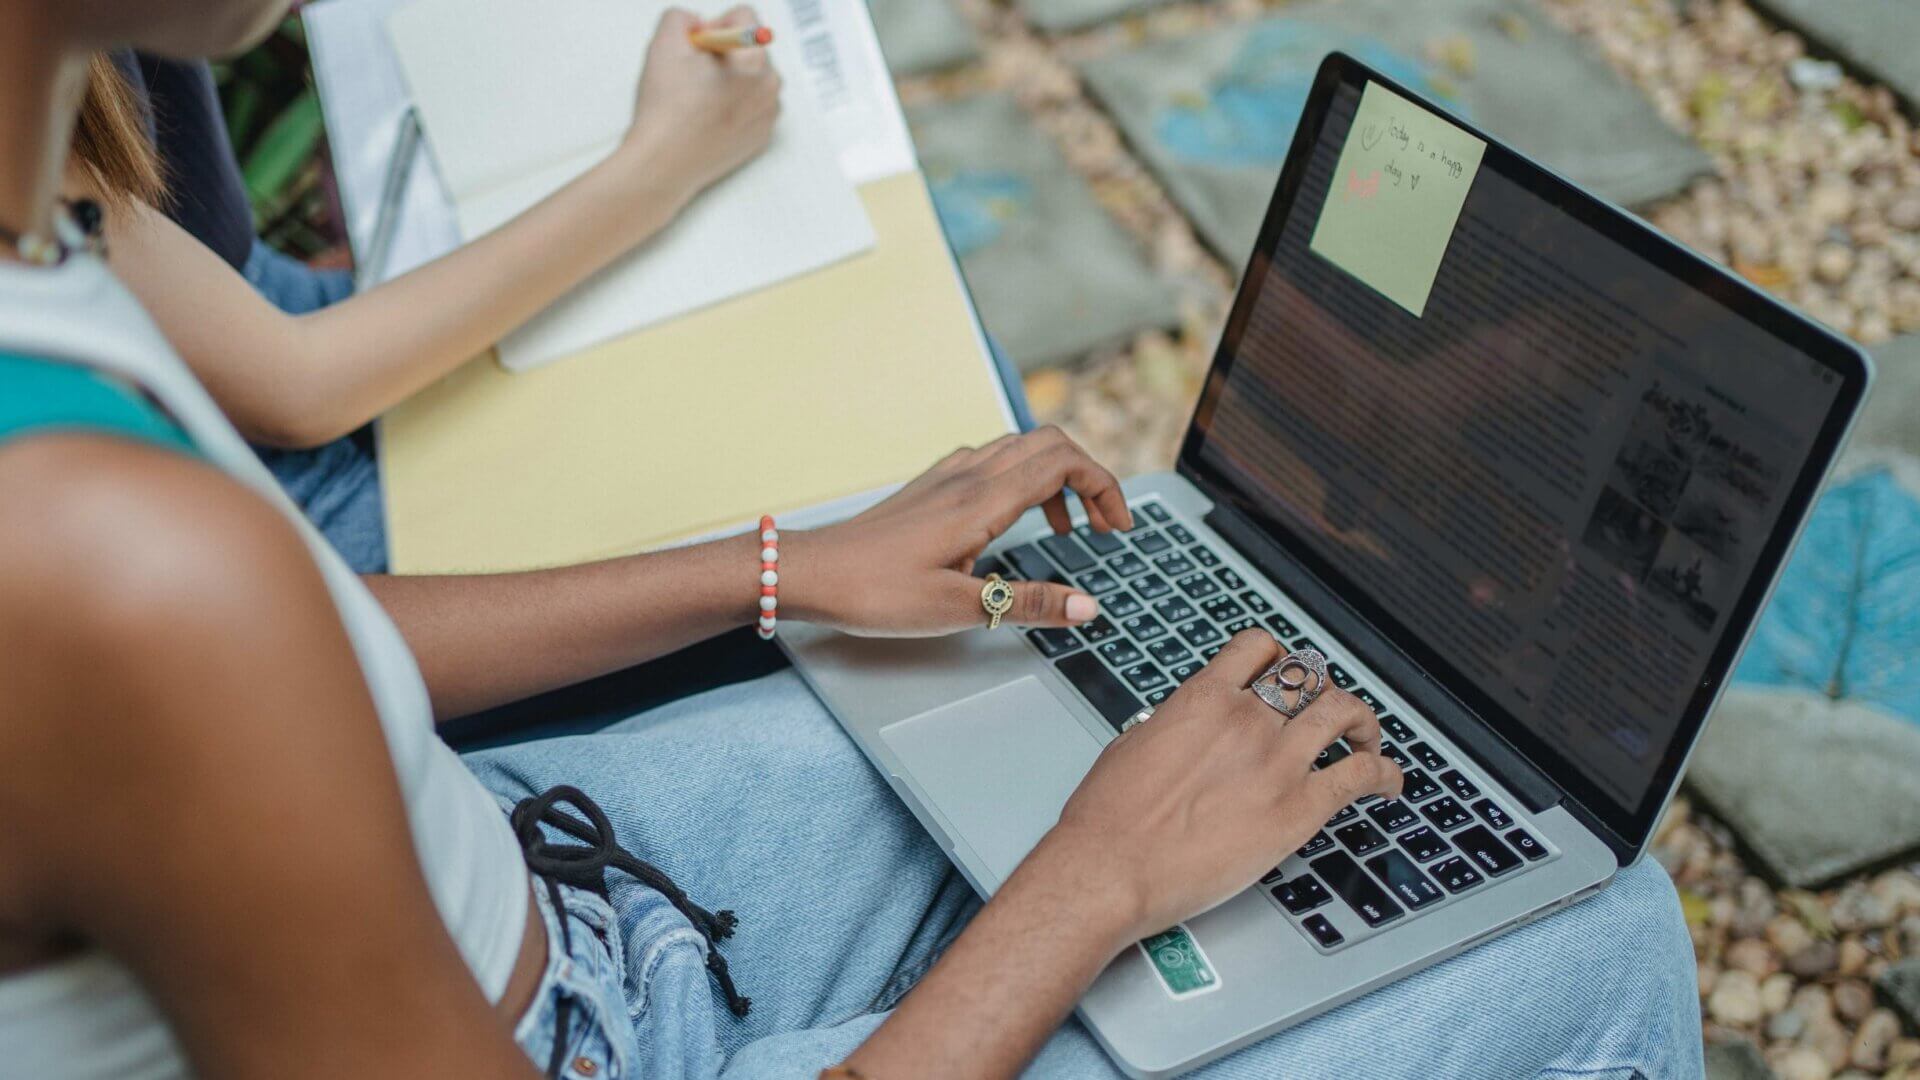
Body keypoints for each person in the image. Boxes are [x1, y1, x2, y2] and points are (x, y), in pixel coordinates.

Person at [0, 3, 1705, 1078]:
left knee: (1029, 657)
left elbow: (308, 643)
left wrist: (784, 565)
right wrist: (1091, 883)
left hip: (547, 874)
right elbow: (214, 646)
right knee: (1606, 934)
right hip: (557, 1024)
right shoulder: (113, 573)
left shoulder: (47, 214)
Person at [87, 38, 1034, 574]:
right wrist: (665, 161)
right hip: (260, 489)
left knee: (935, 378)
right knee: (943, 467)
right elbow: (297, 388)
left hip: (243, 323)